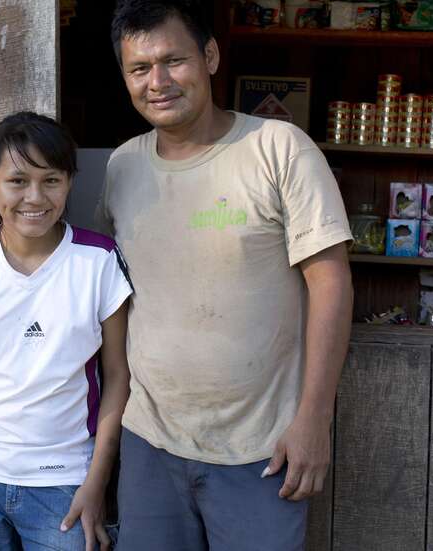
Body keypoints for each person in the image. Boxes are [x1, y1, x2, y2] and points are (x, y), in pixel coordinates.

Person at [101, 1, 355, 549]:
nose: (158, 82)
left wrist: (314, 419)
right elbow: (69, 249)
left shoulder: (278, 148)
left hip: (260, 450)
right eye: (139, 69)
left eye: (174, 60)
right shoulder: (122, 166)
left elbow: (330, 281)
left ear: (210, 56)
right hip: (150, 442)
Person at [0, 112, 133, 551]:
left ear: (70, 181)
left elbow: (117, 378)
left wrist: (97, 483)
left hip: (66, 481)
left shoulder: (98, 262)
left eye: (51, 180)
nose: (34, 197)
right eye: (17, 181)